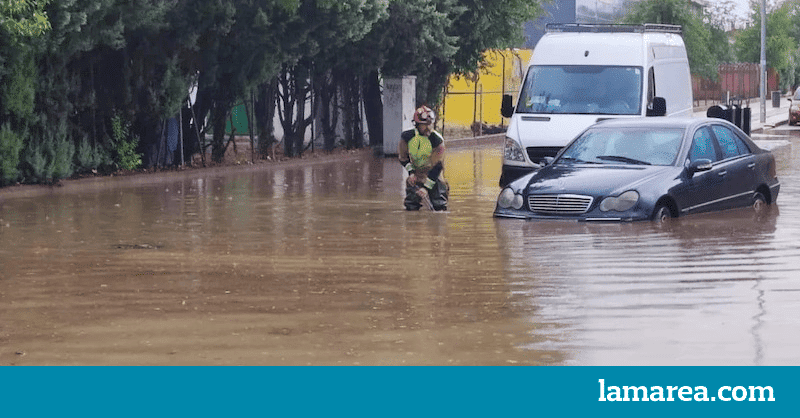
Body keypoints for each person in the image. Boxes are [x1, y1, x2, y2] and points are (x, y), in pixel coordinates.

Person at [398, 105, 449, 211]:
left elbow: (438, 166)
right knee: (411, 206)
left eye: (430, 124)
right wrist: (411, 172)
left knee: (439, 207)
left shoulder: (437, 140)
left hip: (434, 176)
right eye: (424, 125)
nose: (429, 128)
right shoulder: (407, 137)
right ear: (417, 125)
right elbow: (403, 158)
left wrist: (426, 188)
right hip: (416, 174)